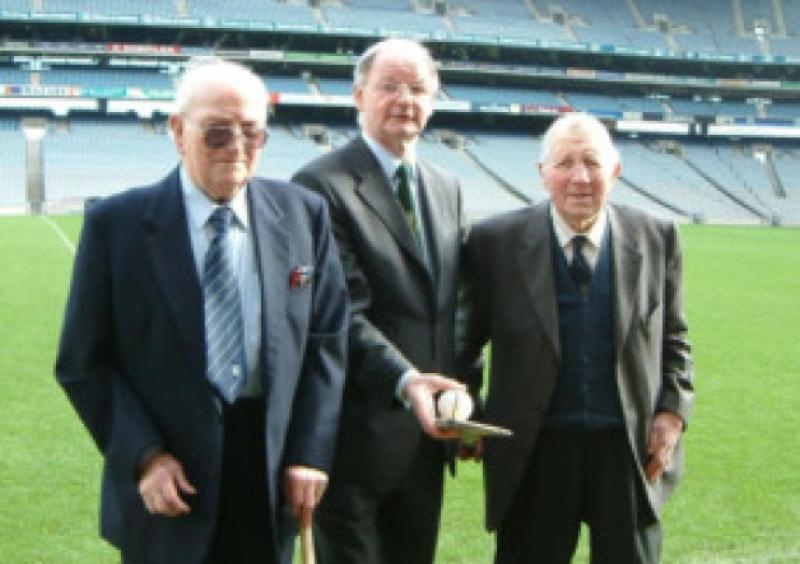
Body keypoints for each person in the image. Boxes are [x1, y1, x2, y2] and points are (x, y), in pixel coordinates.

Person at [54, 57, 348, 564]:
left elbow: (327, 338)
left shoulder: (305, 213)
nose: (236, 148)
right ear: (177, 131)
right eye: (216, 133)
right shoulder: (115, 226)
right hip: (169, 481)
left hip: (270, 474)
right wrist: (144, 457)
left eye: (252, 133)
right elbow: (84, 362)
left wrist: (308, 451)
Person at [459, 113, 694, 563]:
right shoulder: (494, 242)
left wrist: (673, 411)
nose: (580, 178)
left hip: (629, 449)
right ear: (542, 173)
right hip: (534, 453)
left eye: (592, 162)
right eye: (565, 163)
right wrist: (468, 408)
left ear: (616, 170)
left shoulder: (657, 237)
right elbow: (464, 340)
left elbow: (676, 337)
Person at [291, 38, 468, 564]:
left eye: (418, 89)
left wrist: (463, 397)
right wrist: (406, 379)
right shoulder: (320, 184)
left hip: (425, 441)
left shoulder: (447, 187)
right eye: (389, 86)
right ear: (359, 95)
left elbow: (456, 305)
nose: (404, 100)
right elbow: (338, 310)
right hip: (353, 443)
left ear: (433, 101)